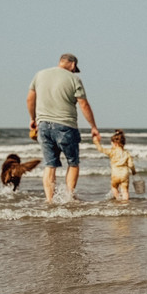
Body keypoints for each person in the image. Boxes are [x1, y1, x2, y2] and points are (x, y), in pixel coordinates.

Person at [27, 53, 101, 202]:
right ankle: (69, 196)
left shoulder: (39, 75)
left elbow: (30, 99)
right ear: (73, 65)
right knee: (73, 163)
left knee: (50, 165)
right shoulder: (74, 79)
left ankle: (50, 201)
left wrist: (33, 119)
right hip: (66, 126)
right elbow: (83, 104)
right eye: (74, 68)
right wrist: (93, 126)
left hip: (43, 126)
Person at [95, 129, 137, 201]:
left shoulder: (112, 151)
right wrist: (133, 171)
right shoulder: (126, 153)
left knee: (114, 188)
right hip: (124, 174)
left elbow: (101, 149)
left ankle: (118, 199)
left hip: (115, 174)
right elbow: (131, 165)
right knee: (125, 190)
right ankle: (125, 203)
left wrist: (96, 142)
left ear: (115, 143)